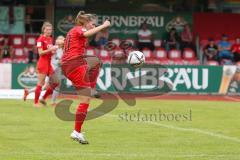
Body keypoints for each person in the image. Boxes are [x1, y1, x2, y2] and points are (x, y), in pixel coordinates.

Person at [61, 11, 110, 144]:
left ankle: (92, 89)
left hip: (69, 65)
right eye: (92, 24)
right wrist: (103, 26)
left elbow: (71, 44)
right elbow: (86, 33)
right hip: (75, 64)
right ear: (85, 22)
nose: (94, 26)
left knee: (96, 62)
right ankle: (76, 132)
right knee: (85, 101)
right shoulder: (79, 29)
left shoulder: (73, 31)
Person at [23, 36, 65, 105]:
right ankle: (33, 94)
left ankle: (51, 101)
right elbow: (55, 55)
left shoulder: (64, 49)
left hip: (58, 68)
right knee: (46, 86)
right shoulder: (55, 47)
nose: (61, 42)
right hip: (51, 67)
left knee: (56, 85)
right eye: (60, 40)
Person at [34, 22, 59, 107]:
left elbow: (50, 52)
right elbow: (40, 53)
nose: (49, 31)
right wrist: (51, 49)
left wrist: (53, 51)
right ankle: (36, 103)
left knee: (56, 82)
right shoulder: (40, 39)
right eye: (47, 29)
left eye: (50, 29)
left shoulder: (50, 39)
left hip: (49, 63)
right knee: (40, 83)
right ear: (43, 30)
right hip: (43, 63)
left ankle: (43, 98)